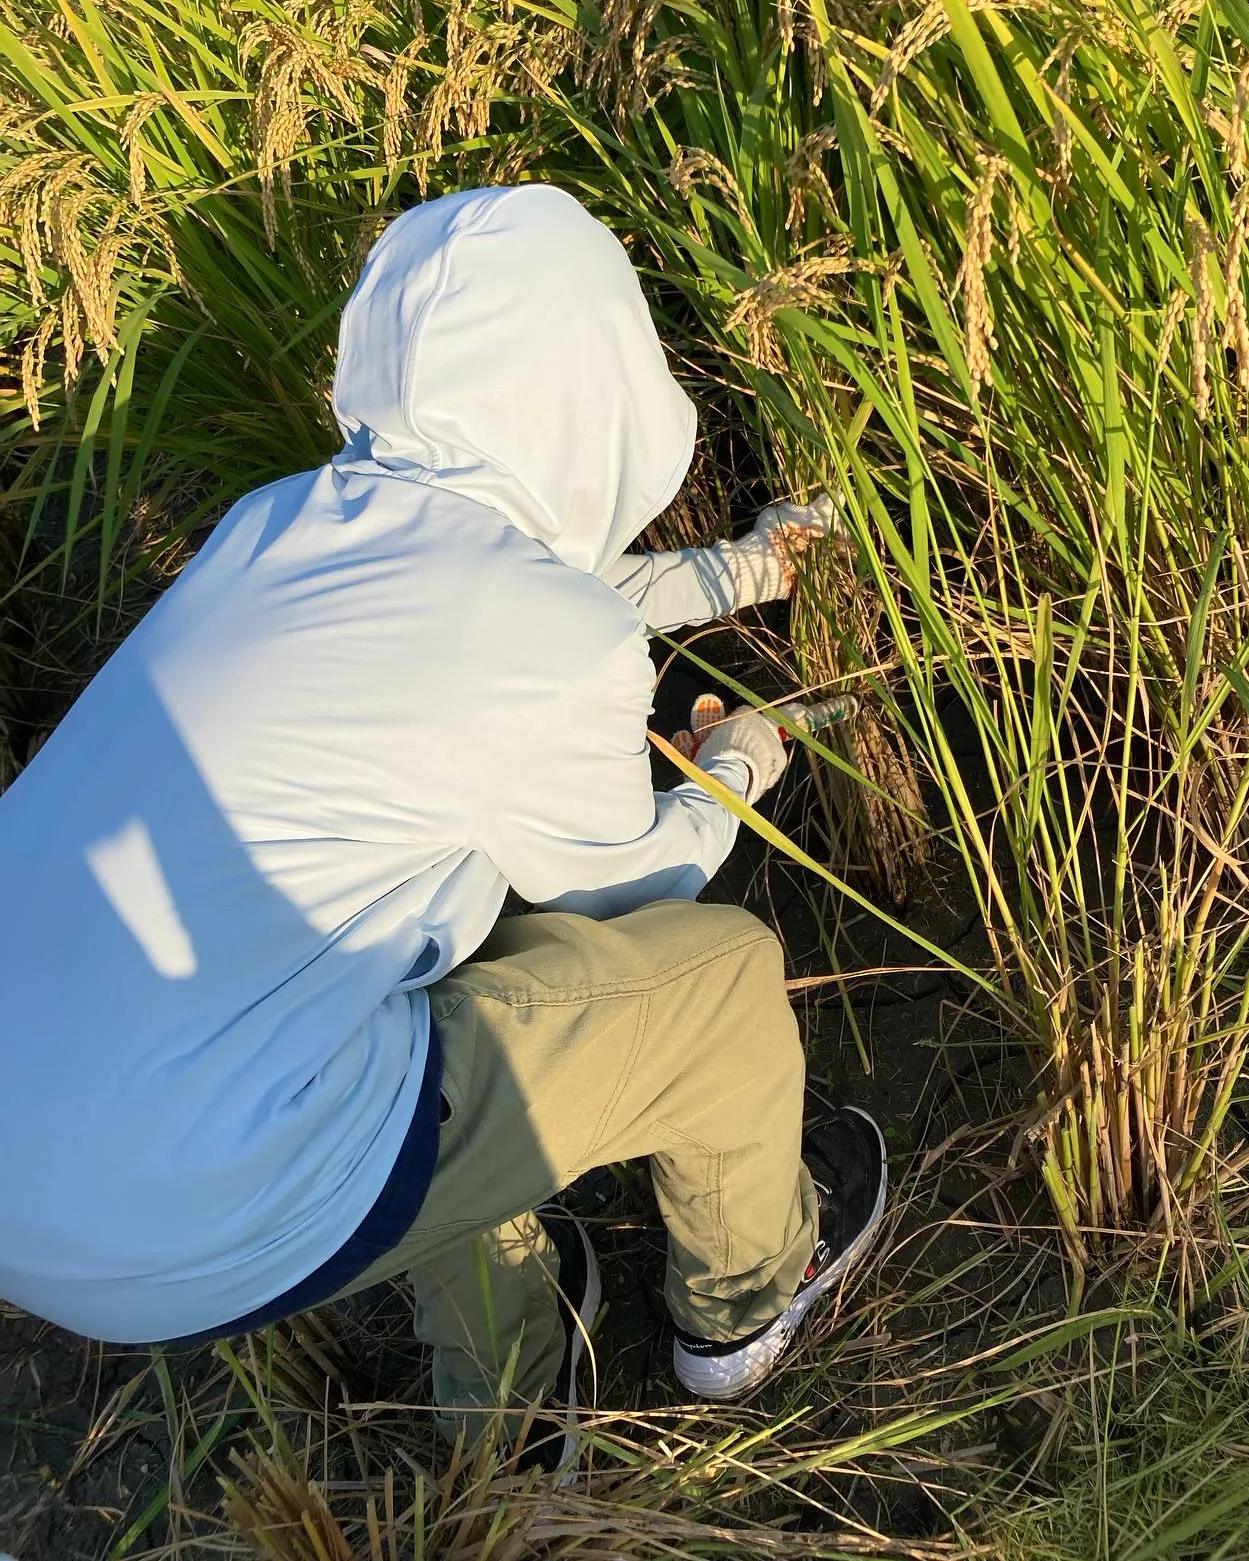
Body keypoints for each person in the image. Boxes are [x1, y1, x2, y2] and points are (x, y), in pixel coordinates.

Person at [0, 183, 886, 1469]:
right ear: (602, 379)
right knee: (721, 984)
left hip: (38, 1199)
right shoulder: (550, 639)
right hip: (204, 1209)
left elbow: (519, 591)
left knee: (395, 993)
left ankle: (512, 1392)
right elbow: (635, 893)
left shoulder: (278, 521)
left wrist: (740, 572)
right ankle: (746, 1307)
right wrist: (736, 770)